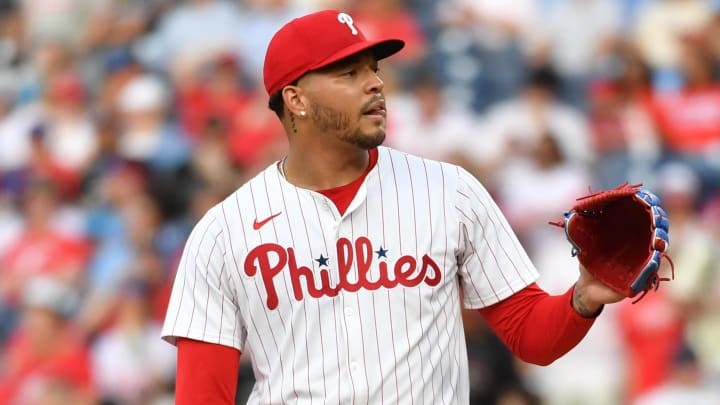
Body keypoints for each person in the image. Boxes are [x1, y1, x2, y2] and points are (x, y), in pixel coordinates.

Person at [161, 9, 625, 404]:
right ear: (295, 99)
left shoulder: (449, 190)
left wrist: (582, 299)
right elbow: (204, 395)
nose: (375, 84)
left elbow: (529, 333)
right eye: (349, 73)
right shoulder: (226, 231)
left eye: (373, 68)